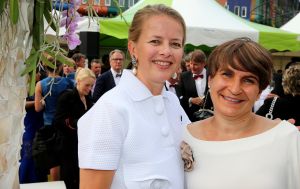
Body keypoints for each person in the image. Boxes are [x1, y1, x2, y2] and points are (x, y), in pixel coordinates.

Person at [78, 4, 190, 189]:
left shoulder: (172, 103)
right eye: (155, 41)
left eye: (175, 44)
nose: (166, 51)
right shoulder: (110, 109)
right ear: (133, 48)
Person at [182, 38, 300, 189]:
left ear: (259, 91)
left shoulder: (287, 138)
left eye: (248, 80)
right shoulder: (184, 137)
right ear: (210, 80)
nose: (235, 89)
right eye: (227, 74)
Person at [53, 68, 95, 189]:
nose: (89, 88)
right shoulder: (67, 96)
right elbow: (58, 121)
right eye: (87, 85)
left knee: (80, 177)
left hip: (82, 145)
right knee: (69, 178)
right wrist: (81, 124)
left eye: (91, 85)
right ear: (78, 81)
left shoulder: (88, 98)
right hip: (68, 145)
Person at [34, 56, 74, 181]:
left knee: (53, 161)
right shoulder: (68, 83)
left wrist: (45, 102)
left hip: (49, 125)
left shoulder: (40, 84)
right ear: (61, 66)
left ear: (45, 67)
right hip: (66, 125)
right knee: (66, 158)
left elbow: (38, 108)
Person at [180, 49, 213, 121]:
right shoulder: (184, 76)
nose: (192, 66)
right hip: (191, 117)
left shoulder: (212, 74)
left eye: (195, 64)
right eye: (191, 63)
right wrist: (191, 100)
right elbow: (180, 96)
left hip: (210, 117)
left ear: (204, 63)